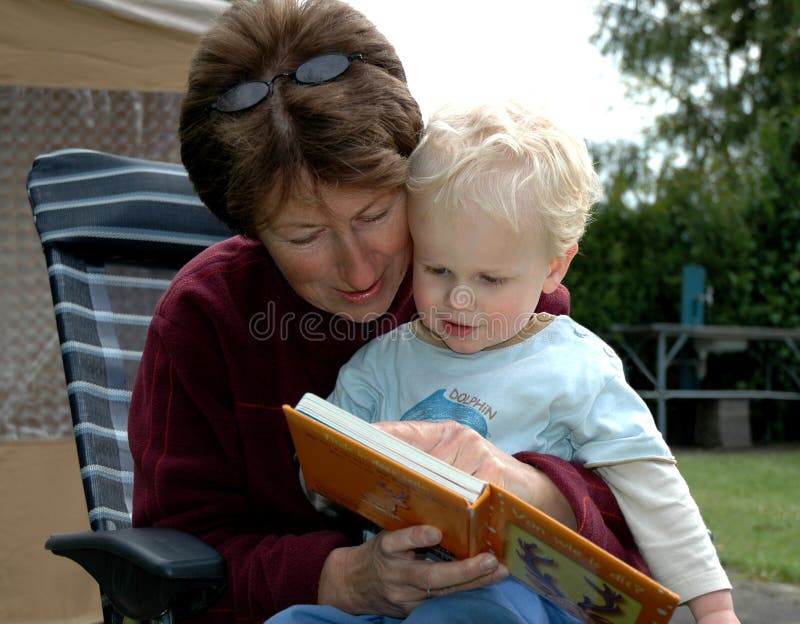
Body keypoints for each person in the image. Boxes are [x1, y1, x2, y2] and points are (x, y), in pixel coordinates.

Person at [128, 1, 649, 623]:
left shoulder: (479, 291)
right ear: (251, 230)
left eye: (374, 215)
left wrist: (529, 490)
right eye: (302, 236)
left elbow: (633, 507)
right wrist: (335, 577)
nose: (359, 269)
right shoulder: (205, 317)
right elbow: (176, 557)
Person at [323, 102, 740, 623]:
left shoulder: (575, 366)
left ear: (554, 267)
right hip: (398, 594)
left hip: (524, 597)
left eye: (490, 280)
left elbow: (651, 486)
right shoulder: (383, 362)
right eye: (438, 269)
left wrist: (714, 608)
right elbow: (322, 468)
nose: (458, 299)